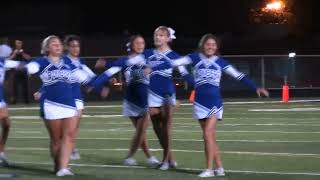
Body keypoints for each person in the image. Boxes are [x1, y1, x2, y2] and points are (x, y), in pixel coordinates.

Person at [171, 33, 269, 177]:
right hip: (199, 102)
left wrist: (256, 87)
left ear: (216, 47)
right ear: (202, 45)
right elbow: (175, 63)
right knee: (209, 137)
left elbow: (238, 76)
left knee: (207, 134)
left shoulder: (221, 62)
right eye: (207, 44)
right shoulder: (194, 57)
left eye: (213, 45)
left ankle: (209, 169)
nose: (210, 47)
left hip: (214, 102)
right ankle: (220, 168)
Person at [125, 26, 194, 170]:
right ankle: (170, 159)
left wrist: (197, 86)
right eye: (156, 35)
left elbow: (184, 73)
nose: (157, 37)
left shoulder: (174, 56)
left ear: (168, 38)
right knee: (156, 128)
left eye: (161, 35)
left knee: (166, 127)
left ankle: (165, 161)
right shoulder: (148, 53)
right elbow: (131, 61)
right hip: (151, 95)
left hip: (166, 94)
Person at [26, 35, 95, 176]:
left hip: (69, 103)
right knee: (56, 139)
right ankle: (58, 166)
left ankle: (64, 168)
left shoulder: (68, 62)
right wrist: (29, 68)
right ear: (46, 48)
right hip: (51, 104)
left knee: (68, 136)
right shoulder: (42, 61)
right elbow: (32, 67)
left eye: (59, 43)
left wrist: (95, 82)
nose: (57, 46)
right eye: (53, 44)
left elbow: (82, 77)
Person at [93, 35, 160, 167]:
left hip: (146, 99)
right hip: (131, 99)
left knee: (141, 130)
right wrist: (102, 85)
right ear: (131, 45)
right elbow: (106, 74)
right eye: (137, 43)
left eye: (142, 43)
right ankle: (144, 157)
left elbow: (162, 63)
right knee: (140, 131)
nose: (141, 45)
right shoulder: (123, 61)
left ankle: (136, 157)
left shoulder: (148, 57)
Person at [63, 35, 96, 160]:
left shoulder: (80, 61)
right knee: (69, 126)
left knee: (75, 126)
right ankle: (69, 148)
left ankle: (72, 146)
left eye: (77, 46)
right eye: (73, 46)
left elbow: (89, 77)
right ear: (67, 47)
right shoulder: (64, 61)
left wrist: (103, 82)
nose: (76, 49)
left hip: (78, 96)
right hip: (67, 97)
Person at [0, 44, 22, 166]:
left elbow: (18, 64)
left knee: (7, 125)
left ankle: (1, 151)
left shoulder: (3, 62)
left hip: (0, 100)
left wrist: (35, 66)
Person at [8, 40, 32, 104]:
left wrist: (22, 53)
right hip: (16, 72)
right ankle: (13, 101)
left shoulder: (25, 50)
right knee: (14, 88)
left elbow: (29, 58)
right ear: (15, 44)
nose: (18, 44)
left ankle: (26, 101)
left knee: (25, 87)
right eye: (17, 43)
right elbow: (9, 60)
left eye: (19, 43)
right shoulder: (13, 51)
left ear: (21, 44)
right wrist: (14, 53)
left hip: (24, 71)